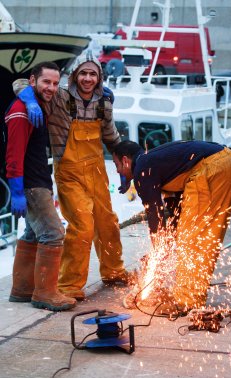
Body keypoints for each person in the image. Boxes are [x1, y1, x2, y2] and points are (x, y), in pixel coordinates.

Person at [17, 51, 133, 301]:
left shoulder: (104, 101)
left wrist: (125, 165)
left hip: (97, 170)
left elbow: (111, 136)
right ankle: (69, 285)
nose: (88, 79)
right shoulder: (59, 96)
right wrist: (29, 99)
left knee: (107, 222)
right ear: (75, 77)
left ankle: (114, 271)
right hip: (68, 171)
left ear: (99, 78)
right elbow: (19, 83)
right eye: (83, 73)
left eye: (93, 74)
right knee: (82, 226)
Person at [112, 140, 231, 312]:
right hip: (230, 163)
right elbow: (175, 208)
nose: (117, 171)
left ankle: (187, 301)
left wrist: (158, 251)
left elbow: (154, 214)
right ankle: (190, 294)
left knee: (192, 241)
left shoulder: (142, 169)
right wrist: (168, 240)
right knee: (198, 236)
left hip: (213, 168)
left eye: (117, 165)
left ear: (125, 160)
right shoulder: (158, 164)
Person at [6, 62, 77, 311]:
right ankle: (46, 293)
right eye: (47, 82)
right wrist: (16, 191)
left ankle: (22, 289)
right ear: (33, 81)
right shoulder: (22, 111)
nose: (51, 88)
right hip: (32, 184)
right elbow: (13, 154)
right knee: (54, 234)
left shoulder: (35, 105)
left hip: (37, 180)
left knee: (33, 234)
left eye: (55, 83)